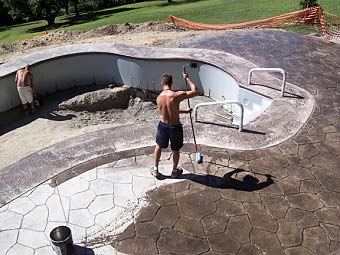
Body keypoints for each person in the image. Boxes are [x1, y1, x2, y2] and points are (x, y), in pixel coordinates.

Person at [152, 72, 199, 178]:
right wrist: (187, 78)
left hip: (163, 125)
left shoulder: (159, 98)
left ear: (161, 83)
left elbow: (169, 112)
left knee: (158, 146)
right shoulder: (176, 95)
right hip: (175, 127)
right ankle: (174, 171)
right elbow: (195, 91)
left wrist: (185, 111)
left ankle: (155, 169)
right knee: (175, 149)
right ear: (171, 83)